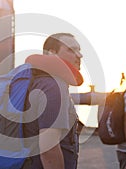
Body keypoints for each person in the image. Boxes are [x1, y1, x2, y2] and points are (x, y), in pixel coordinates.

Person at [22, 33, 84, 169]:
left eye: (79, 50)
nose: (79, 55)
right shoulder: (54, 86)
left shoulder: (38, 82)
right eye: (71, 50)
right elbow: (48, 149)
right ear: (51, 53)